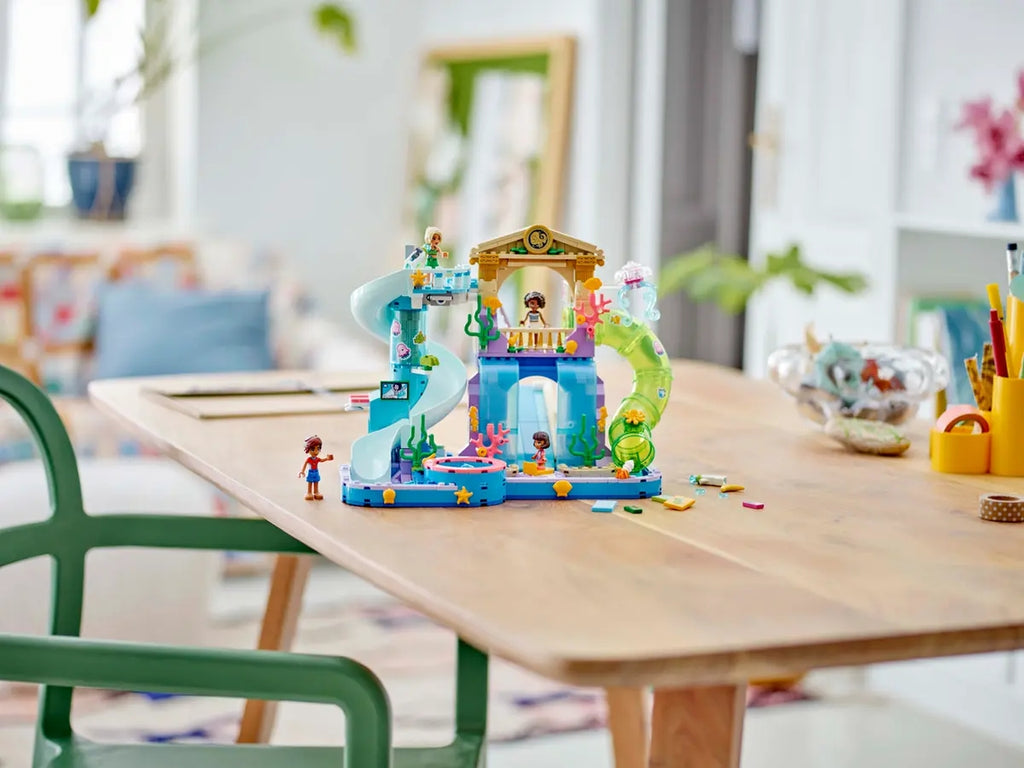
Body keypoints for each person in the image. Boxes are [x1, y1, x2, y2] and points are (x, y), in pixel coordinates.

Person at [298, 434, 334, 500]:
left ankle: (316, 492)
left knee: (316, 481)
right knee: (310, 482)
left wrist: (327, 458)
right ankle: (309, 492)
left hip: (316, 472)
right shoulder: (309, 459)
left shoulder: (317, 459)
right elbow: (305, 465)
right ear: (308, 449)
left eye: (318, 449)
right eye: (313, 449)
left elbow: (322, 460)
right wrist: (302, 471)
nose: (316, 451)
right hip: (311, 472)